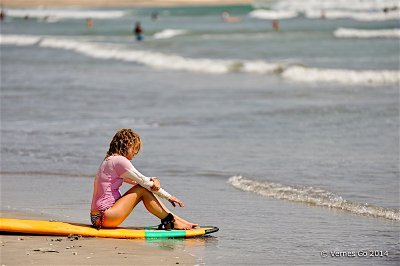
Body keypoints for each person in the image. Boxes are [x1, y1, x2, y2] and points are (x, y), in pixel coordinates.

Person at [90, 129, 198, 230]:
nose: (135, 153)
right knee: (142, 190)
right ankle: (171, 221)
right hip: (105, 217)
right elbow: (144, 183)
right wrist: (169, 197)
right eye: (135, 148)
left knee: (142, 188)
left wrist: (154, 179)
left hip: (98, 217)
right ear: (128, 145)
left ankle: (176, 220)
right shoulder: (119, 161)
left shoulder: (109, 160)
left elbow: (137, 180)